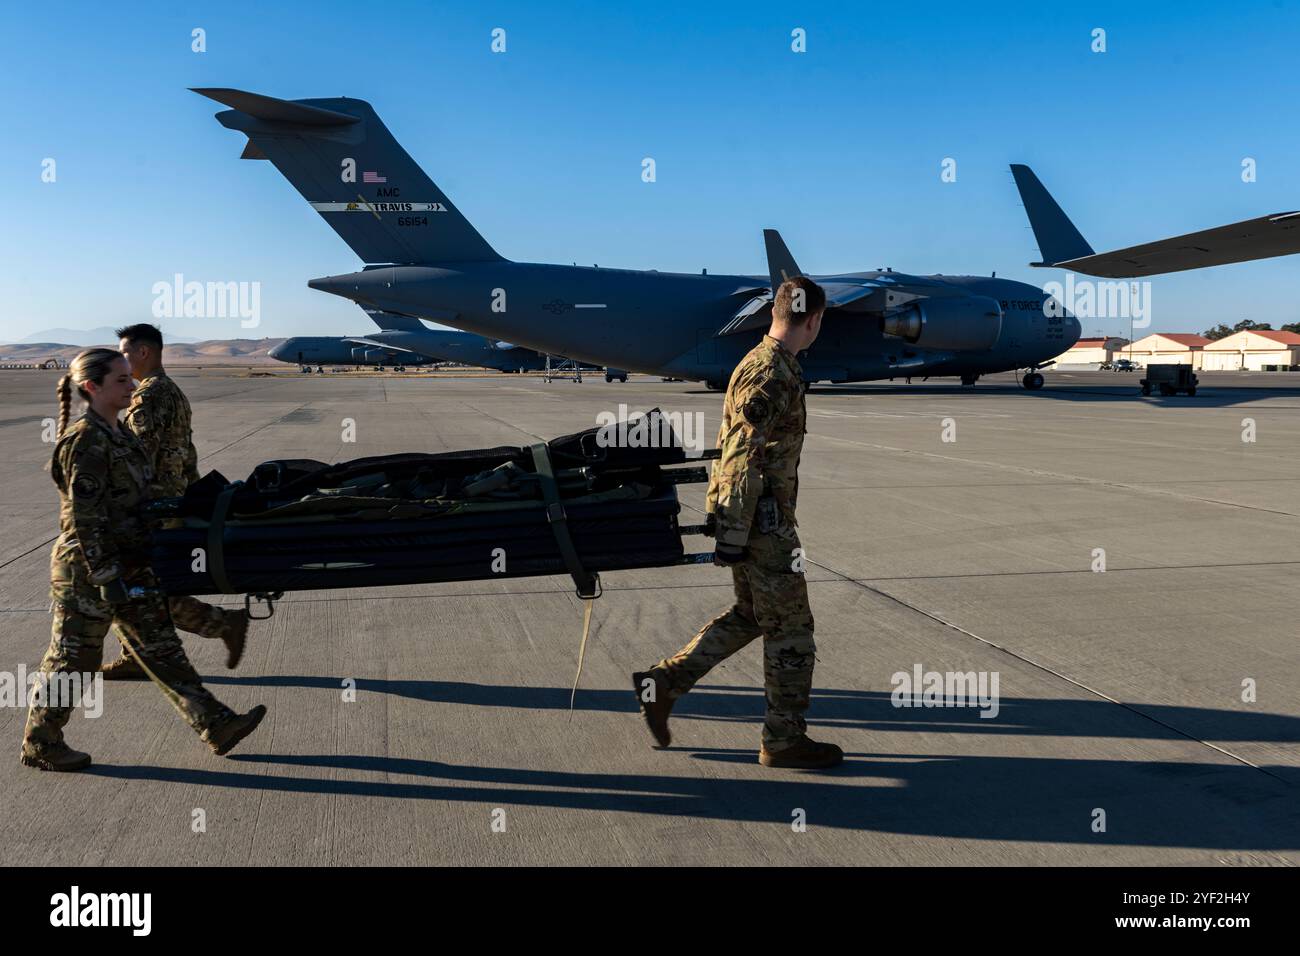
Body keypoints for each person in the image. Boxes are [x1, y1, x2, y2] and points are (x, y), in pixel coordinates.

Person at [20, 349, 266, 772]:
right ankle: (41, 743)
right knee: (73, 661)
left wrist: (192, 504)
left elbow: (137, 497)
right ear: (92, 388)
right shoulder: (86, 441)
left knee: (162, 649)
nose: (132, 385)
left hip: (131, 563)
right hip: (88, 573)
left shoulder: (119, 434)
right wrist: (107, 575)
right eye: (120, 380)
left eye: (130, 378)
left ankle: (216, 725)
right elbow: (85, 519)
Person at [633, 276, 842, 769]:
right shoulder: (771, 373)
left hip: (753, 516)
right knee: (793, 631)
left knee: (753, 614)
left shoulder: (768, 362)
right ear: (813, 320)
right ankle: (784, 739)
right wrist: (732, 531)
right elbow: (741, 453)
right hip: (761, 522)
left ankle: (664, 683)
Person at [98, 323, 250, 680]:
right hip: (171, 501)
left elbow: (138, 456)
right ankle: (140, 654)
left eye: (124, 352)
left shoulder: (148, 396)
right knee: (144, 584)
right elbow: (186, 454)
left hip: (151, 507)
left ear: (143, 353)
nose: (121, 360)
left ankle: (221, 624)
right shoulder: (174, 392)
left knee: (135, 586)